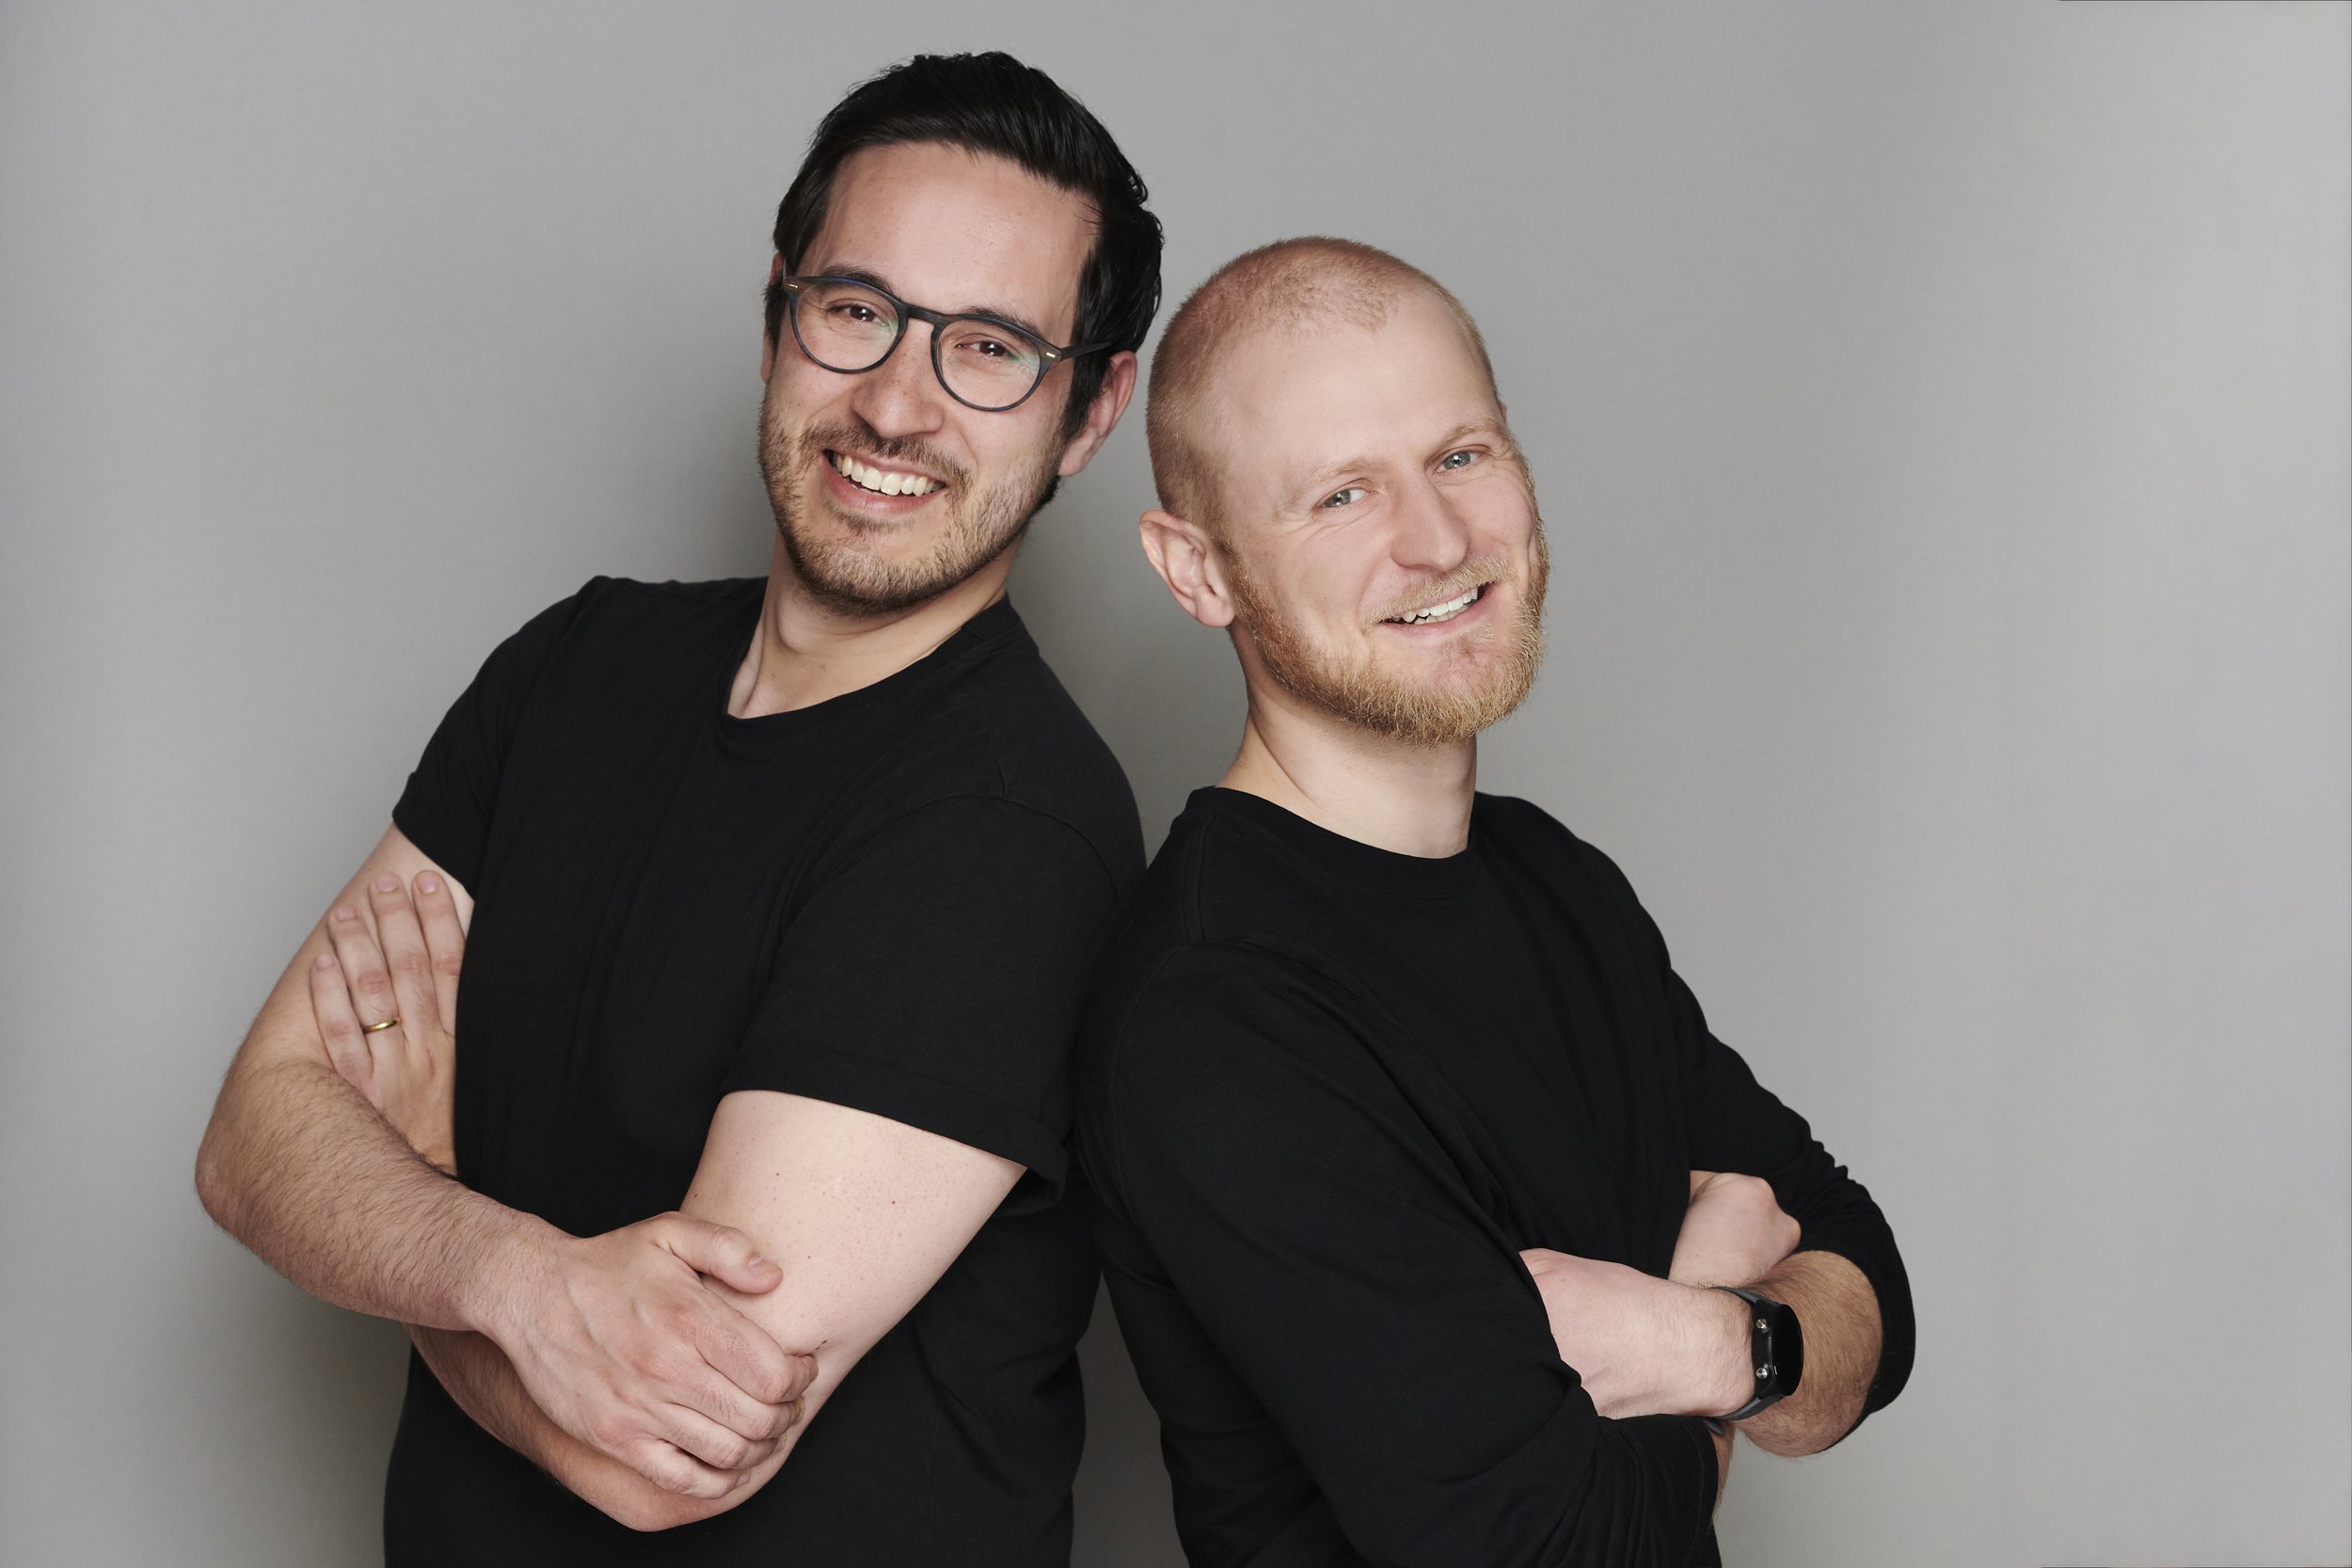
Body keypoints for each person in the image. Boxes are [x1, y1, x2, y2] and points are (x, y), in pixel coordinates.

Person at [194, 52, 1160, 1566]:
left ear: (1089, 412)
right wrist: (509, 1274)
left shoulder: (1010, 829)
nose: (898, 405)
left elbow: (661, 1452)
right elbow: (250, 1143)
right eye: (858, 311)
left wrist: (419, 1201)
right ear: (778, 312)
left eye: (990, 348)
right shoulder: (579, 663)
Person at [1077, 237, 1914, 1566]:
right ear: (1198, 571)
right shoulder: (1216, 1014)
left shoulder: (1553, 882)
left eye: (1463, 454)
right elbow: (1565, 1550)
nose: (1440, 540)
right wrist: (1731, 1304)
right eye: (1342, 494)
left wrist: (1682, 1339)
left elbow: (1874, 1293)